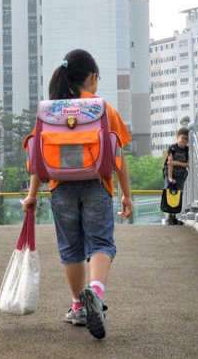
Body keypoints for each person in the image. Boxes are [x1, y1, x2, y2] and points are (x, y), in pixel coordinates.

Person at [21, 49, 133, 340]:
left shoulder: (50, 112)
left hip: (60, 187)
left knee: (70, 248)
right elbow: (119, 156)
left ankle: (78, 307)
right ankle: (95, 292)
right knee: (101, 243)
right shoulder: (103, 110)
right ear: (93, 78)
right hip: (98, 184)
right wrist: (126, 195)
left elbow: (38, 157)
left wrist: (31, 195)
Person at [163, 127, 190, 225]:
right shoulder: (172, 148)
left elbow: (188, 164)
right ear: (177, 137)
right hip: (170, 173)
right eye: (183, 138)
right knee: (170, 194)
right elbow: (170, 164)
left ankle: (175, 217)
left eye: (186, 139)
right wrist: (170, 178)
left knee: (178, 195)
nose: (184, 141)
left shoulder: (187, 150)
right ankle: (169, 217)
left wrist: (176, 163)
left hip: (181, 175)